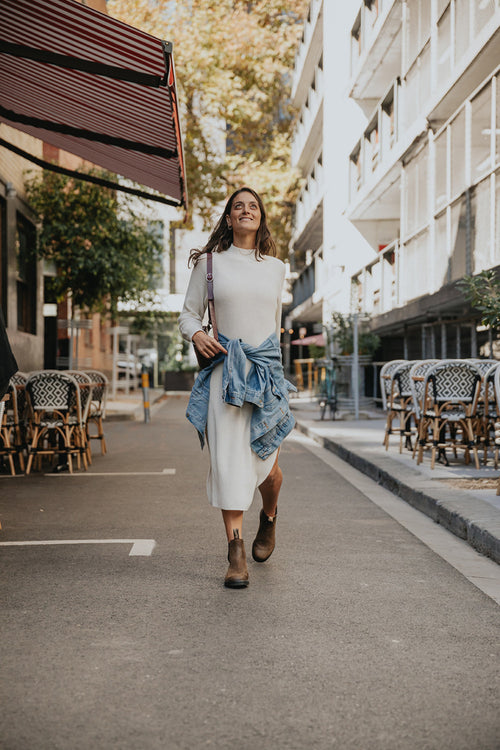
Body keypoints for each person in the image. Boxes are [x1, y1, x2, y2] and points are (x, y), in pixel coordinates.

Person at [178, 187, 296, 589]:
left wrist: (275, 373)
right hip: (223, 374)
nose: (246, 211)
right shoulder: (209, 264)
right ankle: (235, 553)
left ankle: (269, 518)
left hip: (264, 373)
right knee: (229, 463)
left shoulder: (276, 268)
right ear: (228, 219)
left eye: (253, 206)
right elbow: (188, 316)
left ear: (261, 217)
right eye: (237, 207)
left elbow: (273, 324)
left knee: (268, 468)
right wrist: (197, 336)